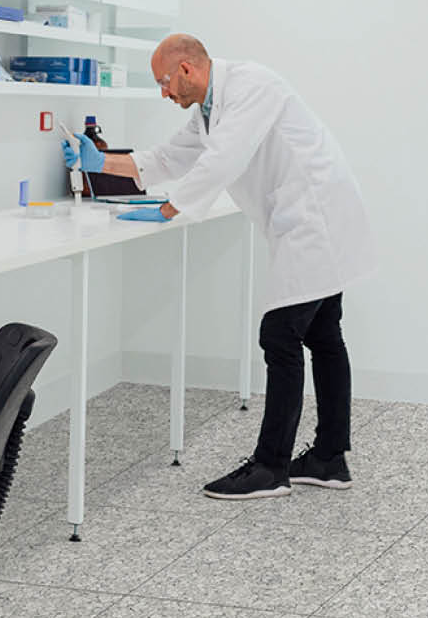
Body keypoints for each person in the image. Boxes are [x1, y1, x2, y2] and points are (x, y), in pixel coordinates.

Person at [61, 34, 375, 500]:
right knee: (324, 333)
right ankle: (329, 458)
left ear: (186, 69)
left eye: (164, 82)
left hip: (315, 217)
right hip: (305, 219)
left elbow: (223, 160)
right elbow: (167, 158)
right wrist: (101, 160)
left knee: (281, 335)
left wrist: (170, 209)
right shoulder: (209, 110)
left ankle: (271, 467)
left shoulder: (252, 87)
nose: (164, 93)